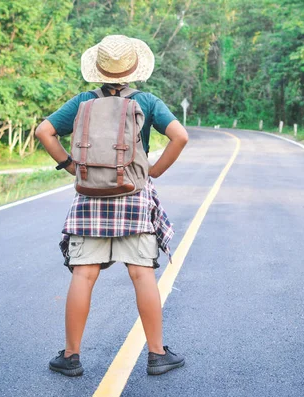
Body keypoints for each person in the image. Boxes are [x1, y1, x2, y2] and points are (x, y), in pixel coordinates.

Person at [35, 35, 189, 377]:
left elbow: (44, 131)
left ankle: (71, 357)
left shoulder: (83, 101)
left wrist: (72, 166)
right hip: (134, 196)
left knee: (84, 273)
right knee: (141, 273)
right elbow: (180, 136)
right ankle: (156, 354)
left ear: (99, 70)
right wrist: (153, 171)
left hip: (90, 199)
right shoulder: (147, 101)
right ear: (134, 69)